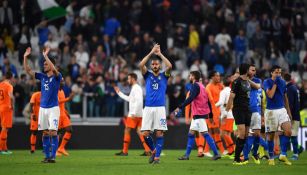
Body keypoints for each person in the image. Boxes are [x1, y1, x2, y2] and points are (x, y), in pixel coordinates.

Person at [24, 47, 62, 163]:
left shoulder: (57, 76)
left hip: (53, 108)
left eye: (46, 64)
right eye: (44, 64)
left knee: (53, 132)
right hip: (42, 109)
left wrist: (46, 56)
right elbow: (28, 71)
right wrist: (25, 57)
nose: (44, 65)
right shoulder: (42, 76)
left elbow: (55, 70)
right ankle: (47, 156)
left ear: (51, 65)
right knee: (45, 132)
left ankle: (53, 156)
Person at [175, 71, 221, 160]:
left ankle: (216, 153)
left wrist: (180, 106)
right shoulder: (202, 86)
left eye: (190, 75)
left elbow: (191, 98)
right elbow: (207, 101)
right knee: (191, 134)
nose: (189, 77)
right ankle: (186, 155)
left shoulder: (195, 86)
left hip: (199, 114)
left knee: (205, 134)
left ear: (193, 76)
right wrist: (210, 115)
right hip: (199, 114)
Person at [139, 44, 172, 164]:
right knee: (145, 133)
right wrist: (151, 51)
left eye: (156, 64)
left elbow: (169, 66)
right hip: (148, 108)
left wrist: (159, 54)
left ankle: (157, 158)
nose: (154, 65)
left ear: (159, 65)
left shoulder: (164, 76)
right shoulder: (147, 75)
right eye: (153, 64)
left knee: (159, 133)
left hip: (160, 108)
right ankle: (154, 151)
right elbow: (141, 65)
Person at [225, 63, 260, 165]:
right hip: (239, 110)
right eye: (250, 69)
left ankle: (240, 157)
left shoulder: (247, 81)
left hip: (247, 110)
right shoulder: (237, 82)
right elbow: (231, 97)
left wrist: (248, 80)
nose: (252, 71)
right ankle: (236, 159)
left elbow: (258, 87)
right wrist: (226, 110)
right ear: (246, 70)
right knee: (241, 134)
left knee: (245, 135)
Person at [113, 73, 151, 156]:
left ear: (133, 79)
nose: (128, 80)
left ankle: (125, 151)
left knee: (127, 130)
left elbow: (139, 101)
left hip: (134, 113)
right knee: (139, 131)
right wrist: (119, 93)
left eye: (129, 78)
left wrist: (134, 112)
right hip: (140, 113)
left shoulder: (136, 88)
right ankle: (147, 150)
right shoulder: (135, 88)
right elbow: (129, 99)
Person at [263, 65, 292, 166]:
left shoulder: (283, 82)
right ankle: (271, 157)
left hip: (282, 109)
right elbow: (270, 95)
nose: (279, 75)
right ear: (271, 73)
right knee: (270, 136)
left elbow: (285, 97)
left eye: (280, 73)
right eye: (276, 73)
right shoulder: (266, 82)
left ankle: (283, 154)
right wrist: (275, 83)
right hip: (271, 111)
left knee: (288, 131)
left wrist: (288, 111)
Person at [242, 64, 263, 164]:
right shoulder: (241, 81)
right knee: (246, 135)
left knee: (257, 134)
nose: (253, 72)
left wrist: (246, 79)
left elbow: (256, 86)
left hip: (256, 110)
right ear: (247, 71)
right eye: (252, 70)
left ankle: (254, 153)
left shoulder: (257, 80)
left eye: (254, 70)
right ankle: (245, 157)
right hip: (245, 110)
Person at [206, 71, 225, 155]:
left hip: (219, 112)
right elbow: (210, 102)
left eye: (219, 76)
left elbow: (226, 91)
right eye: (217, 76)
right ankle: (222, 150)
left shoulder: (219, 86)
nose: (219, 77)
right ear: (212, 77)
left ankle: (206, 150)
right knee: (215, 132)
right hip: (212, 113)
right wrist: (212, 114)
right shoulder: (208, 87)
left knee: (213, 132)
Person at [215, 76, 235, 157]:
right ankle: (230, 150)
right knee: (227, 133)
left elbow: (221, 102)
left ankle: (233, 148)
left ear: (223, 83)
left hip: (225, 115)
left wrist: (213, 105)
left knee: (222, 134)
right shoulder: (232, 91)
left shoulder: (223, 92)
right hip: (231, 114)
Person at [284, 73, 300, 160]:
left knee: (293, 135)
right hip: (296, 114)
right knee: (291, 135)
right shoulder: (294, 87)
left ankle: (295, 154)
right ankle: (298, 149)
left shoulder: (289, 89)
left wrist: (289, 116)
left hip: (292, 116)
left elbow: (290, 104)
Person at [56, 79, 74, 156]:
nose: (63, 83)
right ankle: (55, 150)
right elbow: (57, 102)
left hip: (63, 114)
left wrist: (66, 112)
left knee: (69, 130)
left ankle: (61, 148)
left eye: (63, 81)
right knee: (57, 133)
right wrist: (68, 99)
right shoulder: (54, 91)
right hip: (57, 114)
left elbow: (62, 105)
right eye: (61, 82)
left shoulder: (62, 91)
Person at [0, 71, 14, 154]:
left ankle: (5, 148)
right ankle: (1, 149)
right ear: (11, 77)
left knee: (5, 128)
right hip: (6, 108)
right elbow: (11, 96)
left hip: (1, 107)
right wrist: (12, 105)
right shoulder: (9, 86)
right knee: (5, 128)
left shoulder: (0, 84)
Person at [29, 84, 41, 153]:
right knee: (34, 132)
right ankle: (32, 149)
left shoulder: (46, 94)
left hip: (43, 116)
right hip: (36, 116)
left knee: (45, 132)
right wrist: (33, 114)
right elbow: (31, 104)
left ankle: (45, 148)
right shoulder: (35, 94)